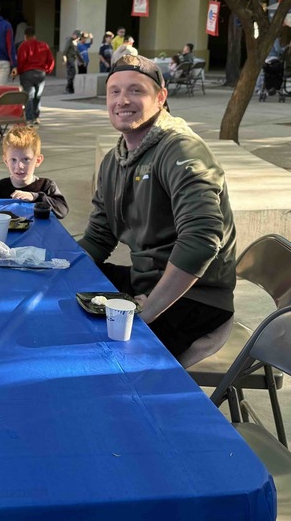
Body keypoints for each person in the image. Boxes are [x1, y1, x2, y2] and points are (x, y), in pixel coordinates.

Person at [78, 55, 237, 359]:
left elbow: (201, 241)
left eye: (136, 90)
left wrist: (147, 311)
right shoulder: (115, 160)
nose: (122, 100)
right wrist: (57, 268)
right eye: (114, 91)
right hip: (145, 281)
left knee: (96, 357)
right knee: (62, 298)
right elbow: (99, 237)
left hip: (196, 301)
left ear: (161, 97)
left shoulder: (181, 150)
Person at [0, 125, 68, 218]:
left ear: (38, 160)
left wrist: (36, 197)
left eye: (26, 159)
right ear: (6, 161)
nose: (19, 166)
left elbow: (62, 210)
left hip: (39, 232)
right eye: (13, 160)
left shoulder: (46, 186)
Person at [16, 27, 55, 124]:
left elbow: (21, 60)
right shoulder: (44, 45)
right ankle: (36, 116)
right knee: (38, 95)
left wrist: (19, 71)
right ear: (34, 36)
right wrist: (47, 70)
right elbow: (51, 60)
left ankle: (29, 118)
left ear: (25, 36)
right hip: (40, 73)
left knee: (28, 95)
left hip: (27, 73)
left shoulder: (24, 45)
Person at [61, 29, 81, 94]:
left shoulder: (75, 42)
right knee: (71, 74)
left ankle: (71, 89)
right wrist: (64, 59)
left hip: (73, 59)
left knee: (73, 74)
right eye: (77, 36)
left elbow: (77, 52)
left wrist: (81, 60)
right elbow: (65, 51)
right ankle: (68, 89)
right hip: (69, 60)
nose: (78, 38)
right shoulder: (69, 41)